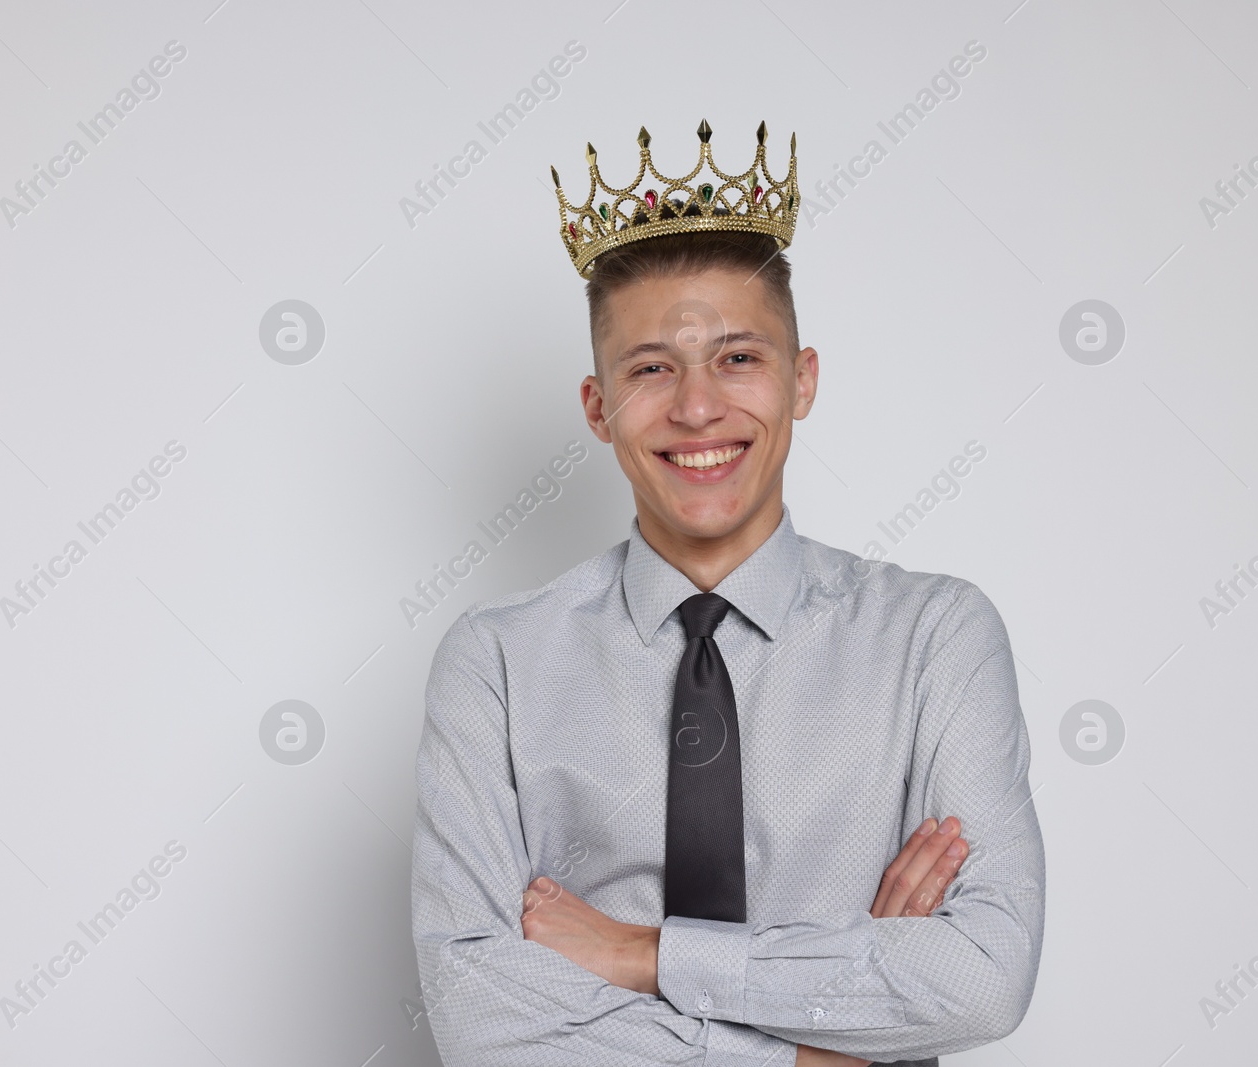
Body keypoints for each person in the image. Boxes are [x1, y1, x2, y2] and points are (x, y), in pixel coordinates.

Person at [409, 120, 1045, 1067]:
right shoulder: (494, 662)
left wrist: (641, 954)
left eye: (740, 357)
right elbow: (478, 1015)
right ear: (598, 407)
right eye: (652, 367)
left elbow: (985, 974)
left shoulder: (936, 637)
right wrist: (820, 1047)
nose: (698, 407)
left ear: (802, 380)